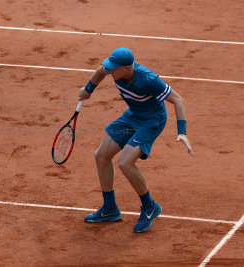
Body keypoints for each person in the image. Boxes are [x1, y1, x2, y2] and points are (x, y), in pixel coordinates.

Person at [78, 47, 194, 233]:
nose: (110, 71)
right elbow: (100, 72)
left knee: (125, 162)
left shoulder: (149, 80)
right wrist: (88, 89)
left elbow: (178, 100)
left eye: (114, 68)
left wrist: (182, 132)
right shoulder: (113, 69)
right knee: (101, 155)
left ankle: (149, 207)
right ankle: (110, 209)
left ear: (126, 68)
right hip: (133, 115)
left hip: (152, 121)